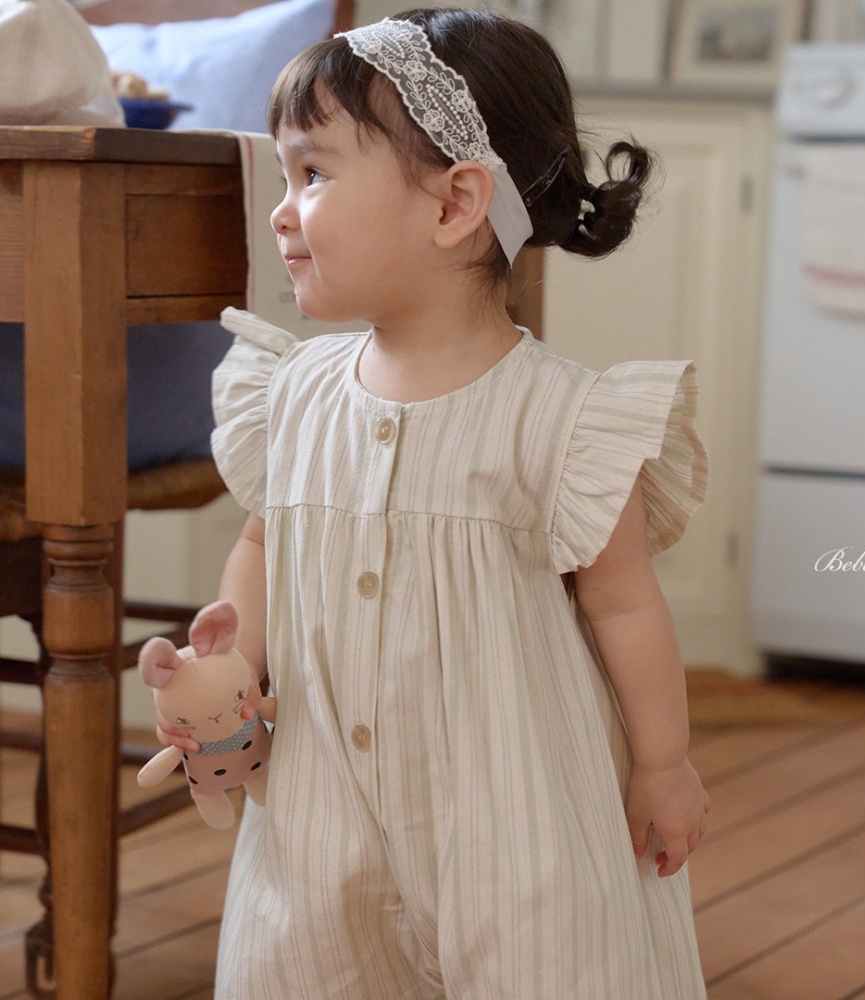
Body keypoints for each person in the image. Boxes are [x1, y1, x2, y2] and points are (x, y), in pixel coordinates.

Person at [148, 8, 711, 997]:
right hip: (324, 812)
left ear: (455, 204)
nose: (282, 211)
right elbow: (267, 545)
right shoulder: (294, 392)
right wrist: (230, 662)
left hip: (515, 815)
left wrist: (662, 764)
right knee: (314, 969)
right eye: (284, 176)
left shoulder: (560, 419)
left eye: (314, 174)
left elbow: (624, 603)